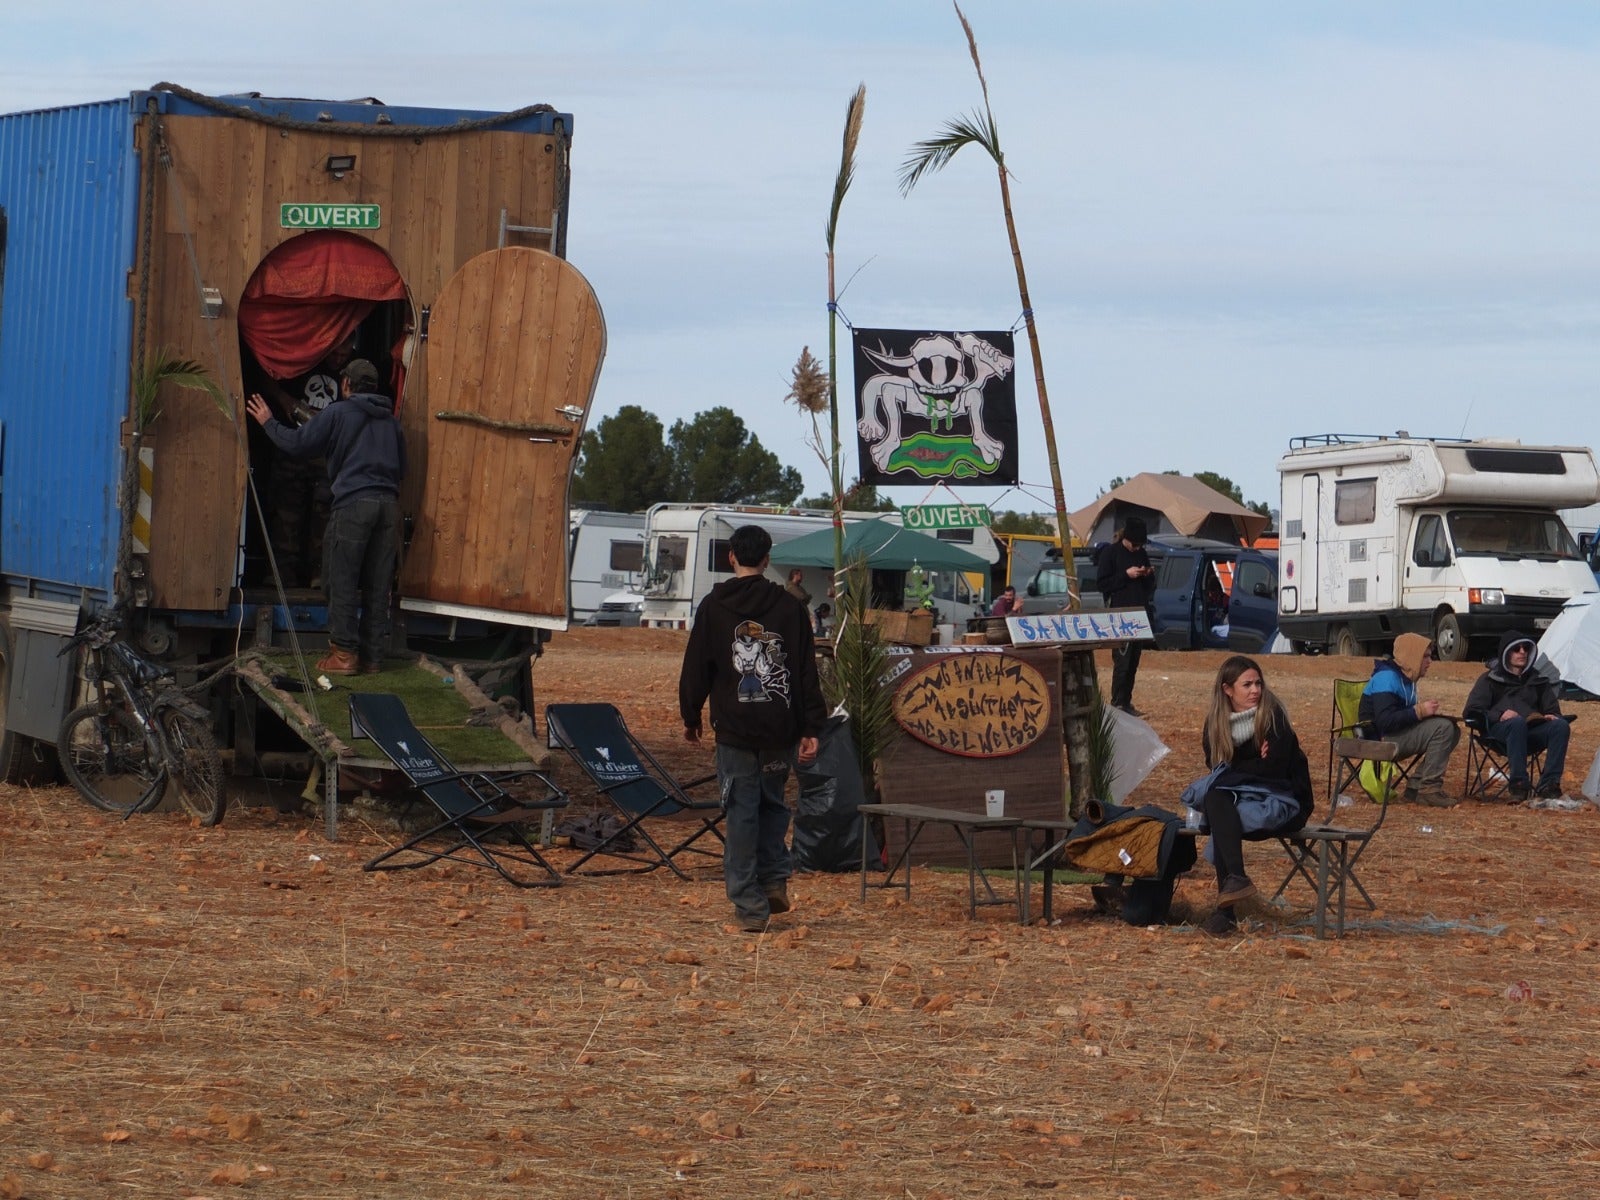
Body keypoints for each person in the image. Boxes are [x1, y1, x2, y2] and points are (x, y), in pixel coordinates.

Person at [679, 525, 827, 932]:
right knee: (773, 804)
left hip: (735, 728)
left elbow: (697, 667)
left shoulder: (714, 606)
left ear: (731, 557)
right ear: (767, 559)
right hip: (780, 727)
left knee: (742, 811)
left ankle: (749, 905)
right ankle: (774, 878)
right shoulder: (790, 607)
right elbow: (804, 671)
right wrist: (812, 725)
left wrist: (691, 717)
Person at [246, 358, 406, 676]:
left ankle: (344, 655)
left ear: (346, 385)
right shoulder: (392, 422)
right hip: (389, 508)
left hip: (354, 505)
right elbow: (402, 467)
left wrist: (267, 422)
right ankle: (373, 658)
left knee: (340, 579)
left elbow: (297, 443)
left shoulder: (337, 413)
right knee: (377, 584)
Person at [1190, 655, 1314, 937]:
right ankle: (1235, 881)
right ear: (1227, 690)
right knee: (1216, 798)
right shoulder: (1216, 725)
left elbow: (1274, 769)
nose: (1256, 690)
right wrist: (1250, 766)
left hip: (1285, 800)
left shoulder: (1273, 717)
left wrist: (1237, 768)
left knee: (1218, 804)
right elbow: (1216, 768)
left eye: (1258, 683)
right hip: (1243, 800)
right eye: (1247, 685)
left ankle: (1226, 910)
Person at [1463, 631, 1570, 802]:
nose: (1522, 652)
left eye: (1526, 648)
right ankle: (1518, 785)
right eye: (1516, 649)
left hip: (1532, 732)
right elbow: (1472, 710)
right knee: (1517, 722)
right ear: (1506, 653)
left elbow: (1553, 710)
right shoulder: (1490, 679)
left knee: (1560, 725)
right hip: (1499, 733)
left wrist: (1551, 716)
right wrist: (1499, 714)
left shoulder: (1538, 680)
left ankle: (1549, 785)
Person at [1358, 632, 1461, 807]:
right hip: (1379, 740)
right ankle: (1428, 789)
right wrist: (1419, 711)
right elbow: (1385, 722)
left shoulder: (1407, 679)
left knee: (1452, 728)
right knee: (1443, 729)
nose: (1430, 662)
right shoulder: (1387, 678)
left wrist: (1426, 714)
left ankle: (1416, 787)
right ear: (1412, 656)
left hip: (1393, 735)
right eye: (1426, 657)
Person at [1096, 516, 1156, 715]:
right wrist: (1126, 575)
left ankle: (1127, 701)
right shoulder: (1110, 553)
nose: (1137, 548)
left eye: (1140, 545)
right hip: (1120, 615)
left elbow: (1151, 587)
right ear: (1126, 538)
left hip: (1139, 614)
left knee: (1133, 662)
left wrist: (1147, 575)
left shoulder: (1142, 554)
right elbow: (1102, 584)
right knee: (1122, 661)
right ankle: (1118, 703)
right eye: (1135, 544)